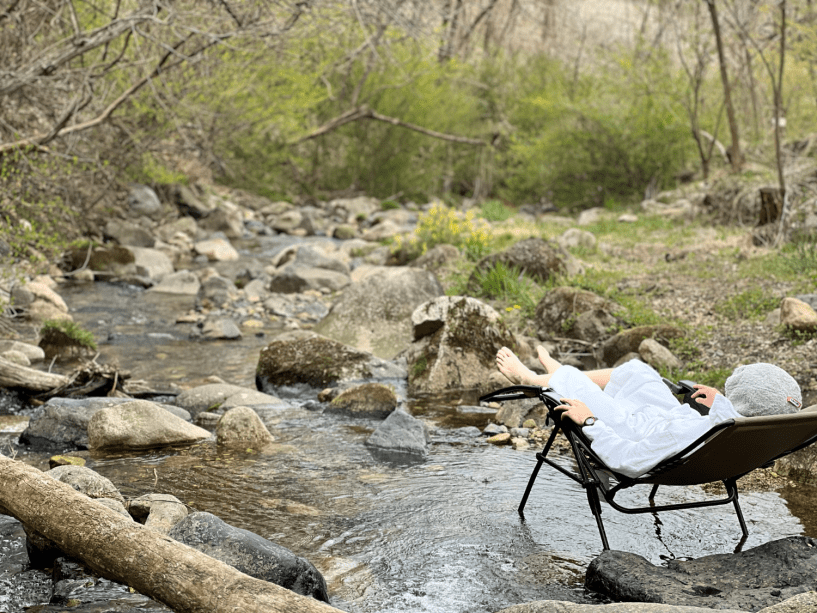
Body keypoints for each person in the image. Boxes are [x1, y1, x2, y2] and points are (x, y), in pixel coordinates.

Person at [495, 346, 803, 478]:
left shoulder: (698, 431)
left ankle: (533, 379)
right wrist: (721, 406)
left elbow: (626, 459)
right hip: (673, 427)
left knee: (577, 383)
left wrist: (589, 420)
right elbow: (737, 416)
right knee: (639, 372)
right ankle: (561, 373)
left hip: (633, 430)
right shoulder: (754, 429)